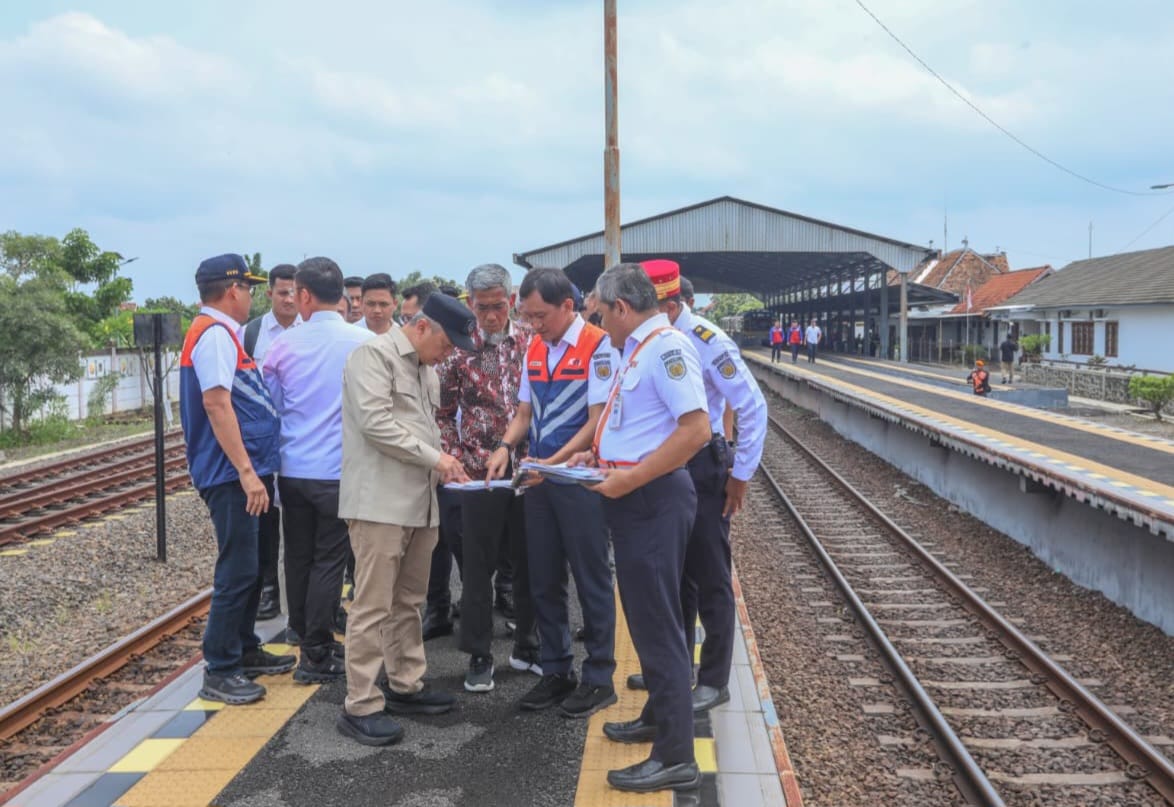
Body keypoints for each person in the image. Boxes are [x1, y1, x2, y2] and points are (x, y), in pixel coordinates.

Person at [568, 263, 710, 794]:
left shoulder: (666, 349)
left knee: (658, 630)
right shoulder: (639, 350)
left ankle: (676, 756)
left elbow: (695, 430)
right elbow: (639, 424)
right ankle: (659, 719)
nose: (599, 325)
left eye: (601, 315)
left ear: (621, 308)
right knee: (654, 623)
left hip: (651, 500)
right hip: (638, 498)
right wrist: (597, 453)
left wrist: (629, 480)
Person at [625, 262, 766, 715]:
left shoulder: (707, 340)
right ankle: (674, 665)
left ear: (671, 304)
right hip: (667, 470)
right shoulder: (651, 341)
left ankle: (714, 679)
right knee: (675, 576)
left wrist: (740, 475)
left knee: (710, 579)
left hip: (704, 469)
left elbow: (752, 405)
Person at [336, 293, 475, 746]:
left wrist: (440, 461)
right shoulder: (371, 357)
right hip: (379, 504)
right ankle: (360, 703)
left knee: (409, 600)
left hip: (419, 503)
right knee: (372, 604)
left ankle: (405, 683)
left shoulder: (426, 369)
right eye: (448, 343)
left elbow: (426, 425)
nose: (449, 353)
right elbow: (376, 424)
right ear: (422, 328)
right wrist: (438, 459)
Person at [486, 267, 618, 717]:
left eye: (541, 316)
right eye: (528, 317)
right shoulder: (536, 349)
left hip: (577, 481)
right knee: (543, 577)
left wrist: (552, 463)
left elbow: (596, 421)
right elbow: (524, 413)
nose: (534, 325)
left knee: (592, 578)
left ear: (568, 306)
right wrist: (506, 446)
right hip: (540, 479)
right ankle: (556, 670)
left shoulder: (598, 347)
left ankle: (599, 676)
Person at [179, 254, 296, 705]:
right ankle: (221, 666)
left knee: (255, 562)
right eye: (248, 288)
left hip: (247, 472)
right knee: (239, 567)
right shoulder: (213, 337)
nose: (251, 296)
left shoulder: (221, 333)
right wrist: (247, 472)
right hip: (231, 475)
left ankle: (245, 647)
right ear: (232, 291)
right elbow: (216, 404)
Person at [262, 257, 373, 684]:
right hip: (337, 471)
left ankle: (304, 634)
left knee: (299, 556)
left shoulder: (282, 346)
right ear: (341, 294)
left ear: (305, 295)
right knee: (330, 559)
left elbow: (271, 410)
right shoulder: (361, 342)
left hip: (292, 471)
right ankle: (316, 653)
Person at [436, 264, 540, 693]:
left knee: (532, 562)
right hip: (477, 475)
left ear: (511, 301)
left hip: (529, 471)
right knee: (478, 569)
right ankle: (479, 654)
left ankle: (528, 643)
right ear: (469, 304)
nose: (492, 316)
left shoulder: (533, 343)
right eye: (483, 308)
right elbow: (442, 414)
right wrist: (455, 457)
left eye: (499, 307)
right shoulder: (457, 349)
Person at [241, 263, 302, 622]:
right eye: (282, 292)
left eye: (295, 292)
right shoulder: (251, 333)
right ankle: (268, 591)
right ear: (270, 294)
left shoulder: (310, 330)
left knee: (297, 519)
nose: (289, 299)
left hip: (298, 437)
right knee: (265, 518)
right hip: (262, 441)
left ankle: (298, 597)